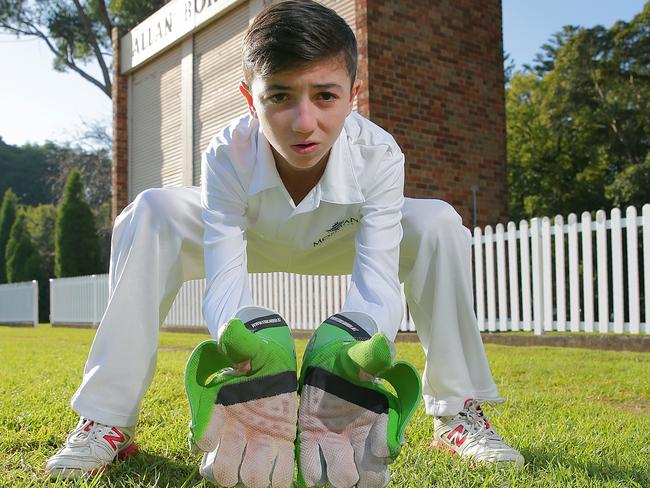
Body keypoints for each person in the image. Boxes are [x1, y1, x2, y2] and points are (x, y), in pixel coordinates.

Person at [45, 0, 524, 484]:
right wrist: (250, 356)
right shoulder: (227, 153)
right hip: (253, 235)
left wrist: (347, 365)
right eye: (279, 97)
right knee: (149, 212)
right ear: (249, 100)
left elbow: (377, 276)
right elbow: (224, 273)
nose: (303, 122)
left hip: (342, 237)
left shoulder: (378, 153)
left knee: (439, 222)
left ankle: (457, 414)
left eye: (325, 96)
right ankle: (109, 417)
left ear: (354, 94)